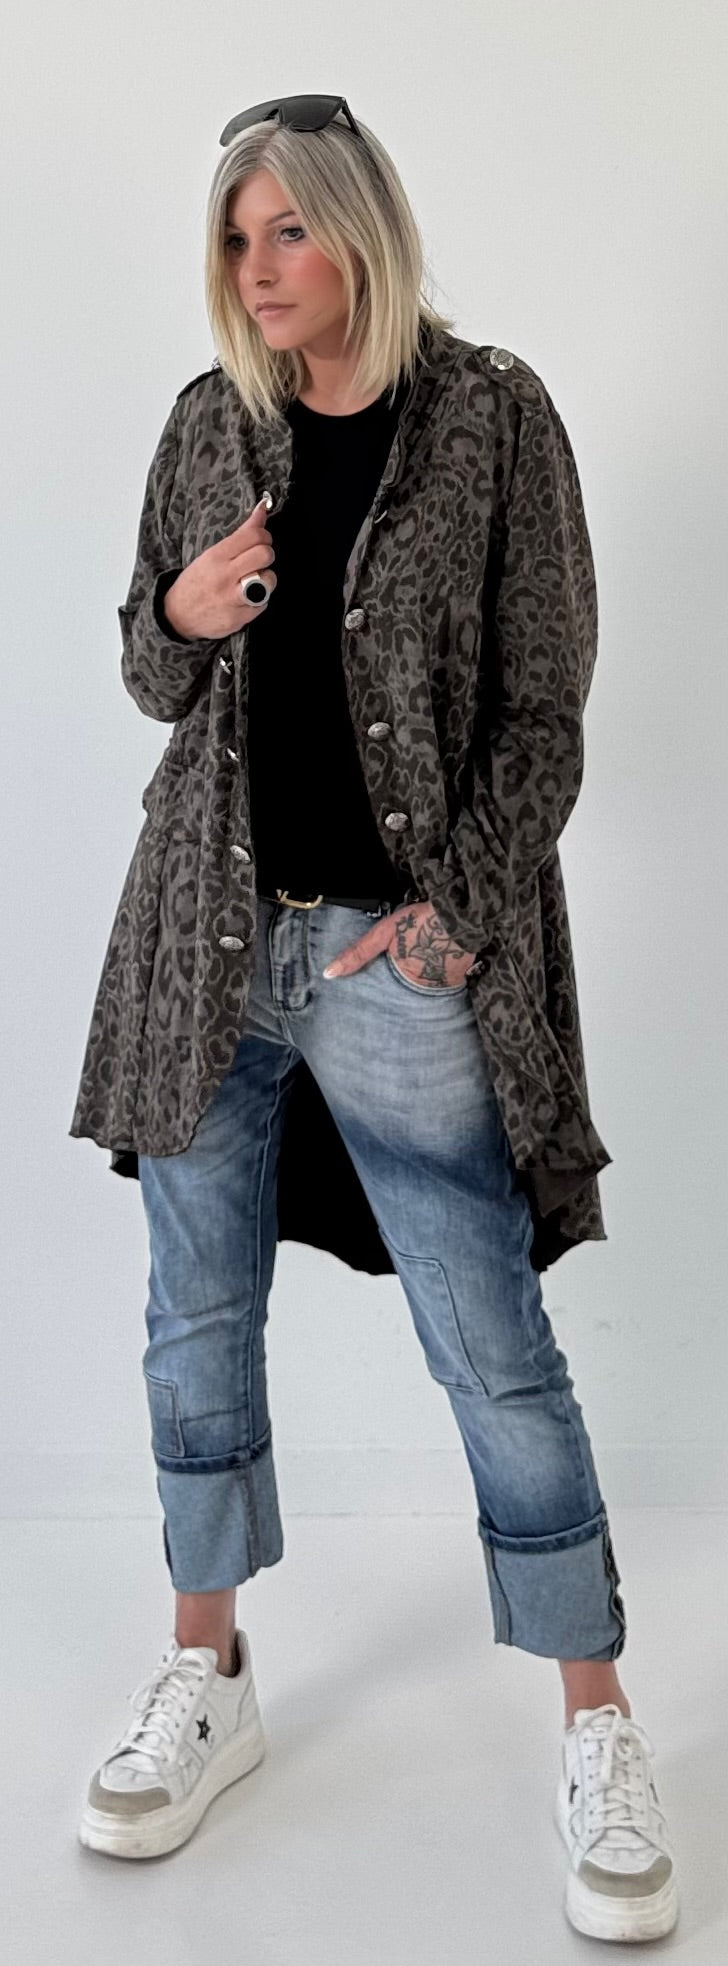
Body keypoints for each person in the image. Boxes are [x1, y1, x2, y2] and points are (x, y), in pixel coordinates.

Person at [73, 97, 678, 1941]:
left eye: (287, 232)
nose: (256, 270)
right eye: (235, 236)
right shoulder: (209, 423)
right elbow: (147, 670)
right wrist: (183, 610)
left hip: (391, 960)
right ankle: (209, 1673)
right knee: (193, 1320)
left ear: (360, 230)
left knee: (491, 1341)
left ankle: (598, 1719)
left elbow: (547, 709)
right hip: (207, 950)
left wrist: (457, 917)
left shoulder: (492, 419)